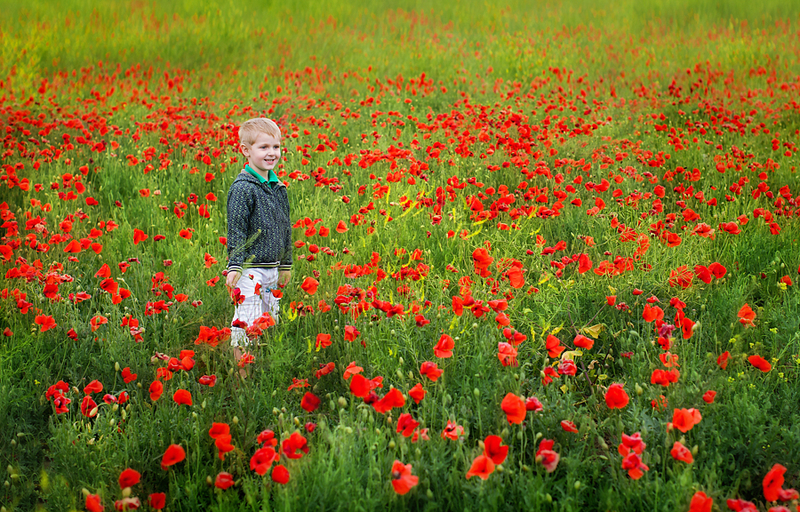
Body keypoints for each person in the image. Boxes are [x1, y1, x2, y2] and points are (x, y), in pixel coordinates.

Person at [225, 118, 292, 370]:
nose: (271, 153)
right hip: (250, 271)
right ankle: (242, 377)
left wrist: (285, 265)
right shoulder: (243, 189)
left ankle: (262, 369)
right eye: (263, 147)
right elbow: (237, 229)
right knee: (246, 323)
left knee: (269, 321)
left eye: (276, 147)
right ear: (246, 150)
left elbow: (285, 228)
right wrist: (235, 266)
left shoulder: (278, 187)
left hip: (272, 269)